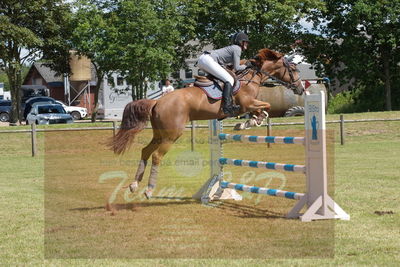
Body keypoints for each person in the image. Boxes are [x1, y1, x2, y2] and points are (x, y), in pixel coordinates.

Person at [197, 32, 250, 116]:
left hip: (203, 60)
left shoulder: (233, 48)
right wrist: (246, 66)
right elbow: (237, 67)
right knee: (229, 79)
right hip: (208, 60)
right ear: (241, 42)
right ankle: (227, 107)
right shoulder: (237, 48)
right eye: (246, 42)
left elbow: (230, 66)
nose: (247, 44)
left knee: (221, 79)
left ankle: (219, 103)